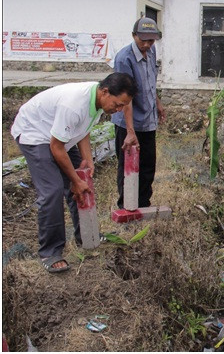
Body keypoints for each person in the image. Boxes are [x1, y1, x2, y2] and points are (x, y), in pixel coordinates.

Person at [10, 73, 137, 273]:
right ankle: (50, 252)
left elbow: (82, 130)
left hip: (59, 136)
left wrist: (87, 161)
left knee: (84, 182)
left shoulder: (97, 101)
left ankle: (86, 236)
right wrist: (74, 179)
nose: (119, 110)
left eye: (123, 106)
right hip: (35, 134)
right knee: (52, 191)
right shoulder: (74, 105)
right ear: (105, 92)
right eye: (118, 104)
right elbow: (56, 147)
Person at [112, 17, 166, 209]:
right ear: (134, 36)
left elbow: (151, 81)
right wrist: (130, 130)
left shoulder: (151, 52)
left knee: (147, 165)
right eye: (142, 40)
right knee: (127, 166)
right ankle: (126, 205)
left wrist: (157, 103)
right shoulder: (124, 59)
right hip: (128, 122)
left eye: (150, 41)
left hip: (148, 120)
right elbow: (125, 98)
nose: (146, 44)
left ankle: (143, 204)